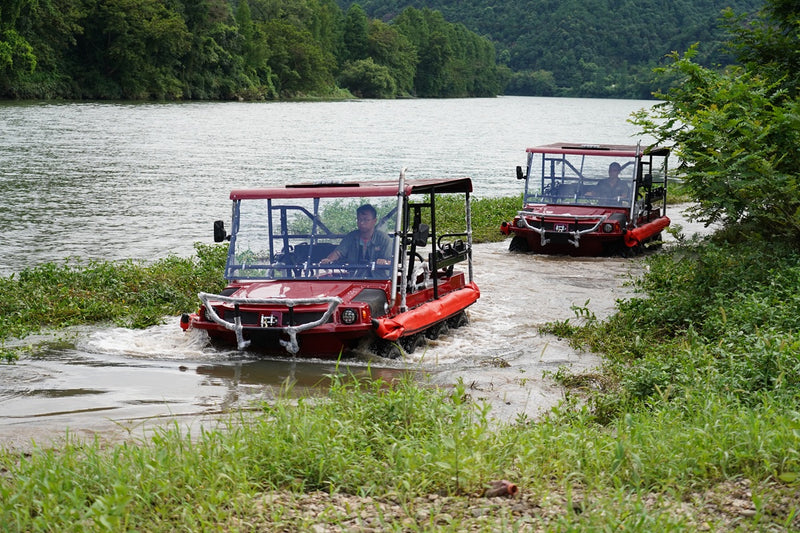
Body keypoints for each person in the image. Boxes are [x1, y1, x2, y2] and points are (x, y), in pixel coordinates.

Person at [320, 204, 392, 268]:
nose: (362, 223)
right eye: (359, 219)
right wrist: (329, 260)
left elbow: (392, 262)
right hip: (354, 278)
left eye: (366, 220)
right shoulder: (351, 237)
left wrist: (384, 262)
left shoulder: (384, 239)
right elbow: (338, 252)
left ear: (374, 221)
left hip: (378, 280)